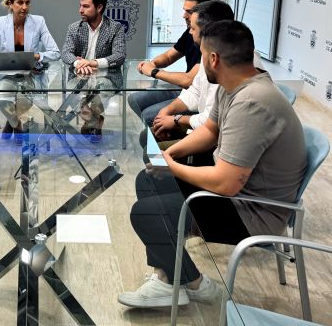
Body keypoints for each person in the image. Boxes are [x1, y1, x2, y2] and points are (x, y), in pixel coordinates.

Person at [118, 20, 307, 308]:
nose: (199, 57)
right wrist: (170, 155)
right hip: (237, 195)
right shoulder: (233, 85)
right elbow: (210, 131)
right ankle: (172, 280)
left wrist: (172, 166)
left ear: (214, 59)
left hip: (252, 212)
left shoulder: (252, 102)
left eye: (202, 53)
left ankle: (190, 283)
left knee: (145, 213)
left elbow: (226, 183)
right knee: (148, 181)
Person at [0, 0, 60, 144]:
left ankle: (10, 121)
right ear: (10, 4)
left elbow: (55, 53)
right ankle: (17, 126)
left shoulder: (38, 22)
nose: (24, 7)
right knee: (3, 99)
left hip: (30, 75)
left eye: (27, 3)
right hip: (5, 76)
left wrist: (37, 56)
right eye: (20, 2)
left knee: (25, 102)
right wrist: (1, 59)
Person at [128, 0, 220, 126]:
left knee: (149, 116)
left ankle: (163, 134)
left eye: (189, 12)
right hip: (191, 91)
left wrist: (154, 71)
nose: (184, 15)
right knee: (135, 100)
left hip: (199, 96)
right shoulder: (191, 31)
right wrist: (153, 63)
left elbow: (189, 80)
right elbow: (170, 56)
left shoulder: (215, 43)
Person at [151, 0, 234, 154]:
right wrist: (167, 111)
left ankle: (165, 173)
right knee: (149, 136)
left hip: (216, 143)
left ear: (208, 31)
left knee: (153, 151)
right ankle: (163, 173)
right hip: (204, 129)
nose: (190, 32)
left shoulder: (226, 64)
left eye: (193, 27)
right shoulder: (210, 53)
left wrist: (176, 120)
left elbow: (211, 122)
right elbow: (195, 91)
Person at [61, 0, 126, 142]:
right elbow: (65, 53)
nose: (80, 10)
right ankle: (93, 122)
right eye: (80, 6)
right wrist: (78, 63)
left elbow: (119, 56)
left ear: (99, 7)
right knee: (73, 95)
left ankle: (92, 120)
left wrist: (92, 62)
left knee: (100, 94)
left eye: (86, 6)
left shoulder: (115, 28)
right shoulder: (74, 28)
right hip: (79, 75)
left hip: (106, 77)